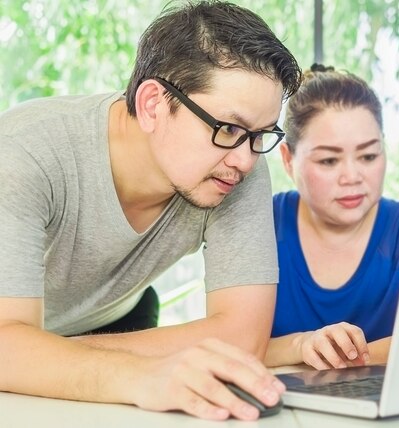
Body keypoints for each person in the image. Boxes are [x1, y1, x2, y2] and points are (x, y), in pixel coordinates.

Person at [0, 1, 301, 421]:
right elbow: (6, 344)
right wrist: (132, 374)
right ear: (152, 105)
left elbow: (241, 336)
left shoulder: (238, 163)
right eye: (228, 129)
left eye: (260, 135)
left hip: (118, 322)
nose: (246, 160)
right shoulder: (23, 154)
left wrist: (42, 356)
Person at [264, 65, 399, 370]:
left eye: (369, 156)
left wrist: (337, 358)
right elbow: (230, 345)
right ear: (287, 159)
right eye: (329, 160)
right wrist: (302, 345)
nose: (352, 177)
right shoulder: (262, 225)